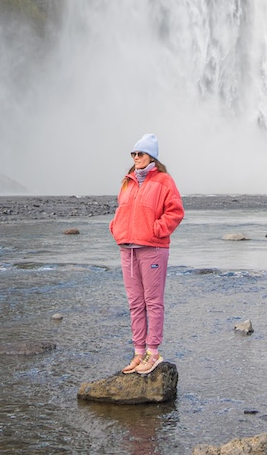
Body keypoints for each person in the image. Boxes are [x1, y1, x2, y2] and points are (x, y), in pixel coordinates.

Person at [109, 133, 184, 374]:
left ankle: (154, 353)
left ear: (151, 156)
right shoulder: (128, 182)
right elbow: (121, 210)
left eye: (140, 153)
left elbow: (175, 212)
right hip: (128, 249)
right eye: (133, 153)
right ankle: (138, 353)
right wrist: (116, 229)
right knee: (135, 303)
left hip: (153, 249)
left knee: (153, 302)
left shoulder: (164, 181)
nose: (136, 157)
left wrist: (156, 231)